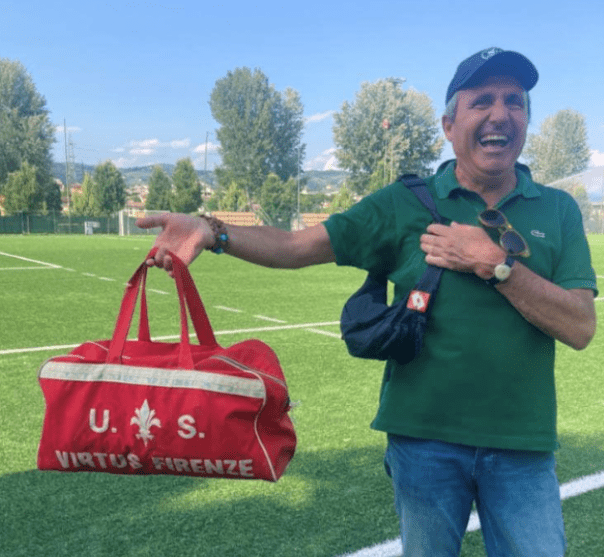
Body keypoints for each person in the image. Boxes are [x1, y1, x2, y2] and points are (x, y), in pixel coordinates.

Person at [136, 47, 597, 556]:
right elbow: (295, 247)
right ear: (449, 125)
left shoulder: (557, 209)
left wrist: (493, 263)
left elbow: (579, 326)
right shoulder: (406, 202)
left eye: (515, 101)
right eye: (482, 100)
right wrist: (213, 231)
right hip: (423, 443)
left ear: (526, 120)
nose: (500, 114)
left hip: (523, 447)